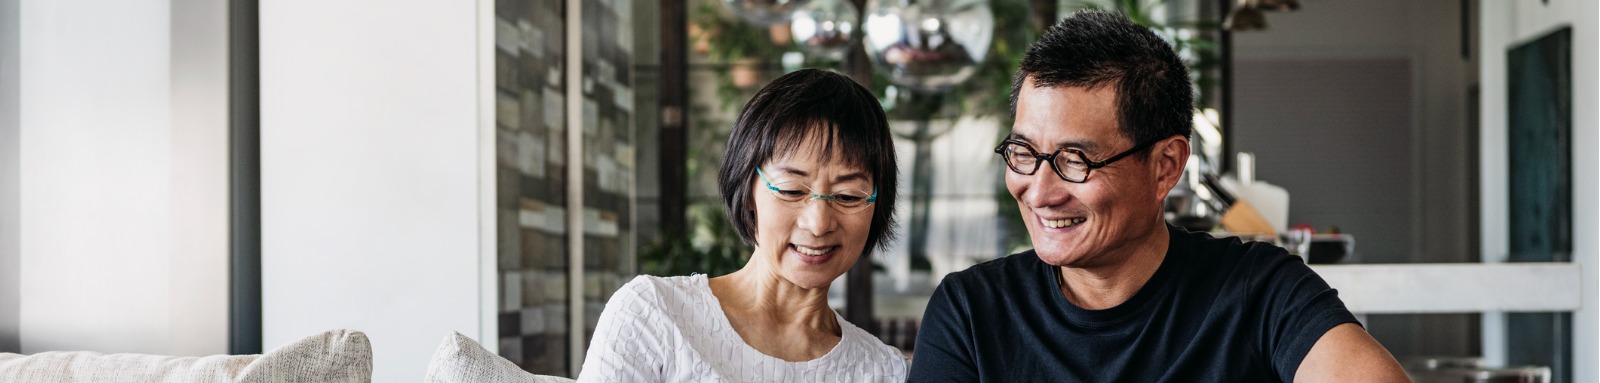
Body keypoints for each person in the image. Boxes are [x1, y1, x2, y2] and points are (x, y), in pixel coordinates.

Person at [908, 11, 1410, 382]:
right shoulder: (972, 311)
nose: (1039, 191)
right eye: (1023, 152)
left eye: (1075, 161)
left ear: (1165, 165)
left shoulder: (1258, 291)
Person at [579, 69, 906, 382]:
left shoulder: (884, 370)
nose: (818, 223)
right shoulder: (653, 313)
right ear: (748, 190)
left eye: (848, 196)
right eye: (792, 190)